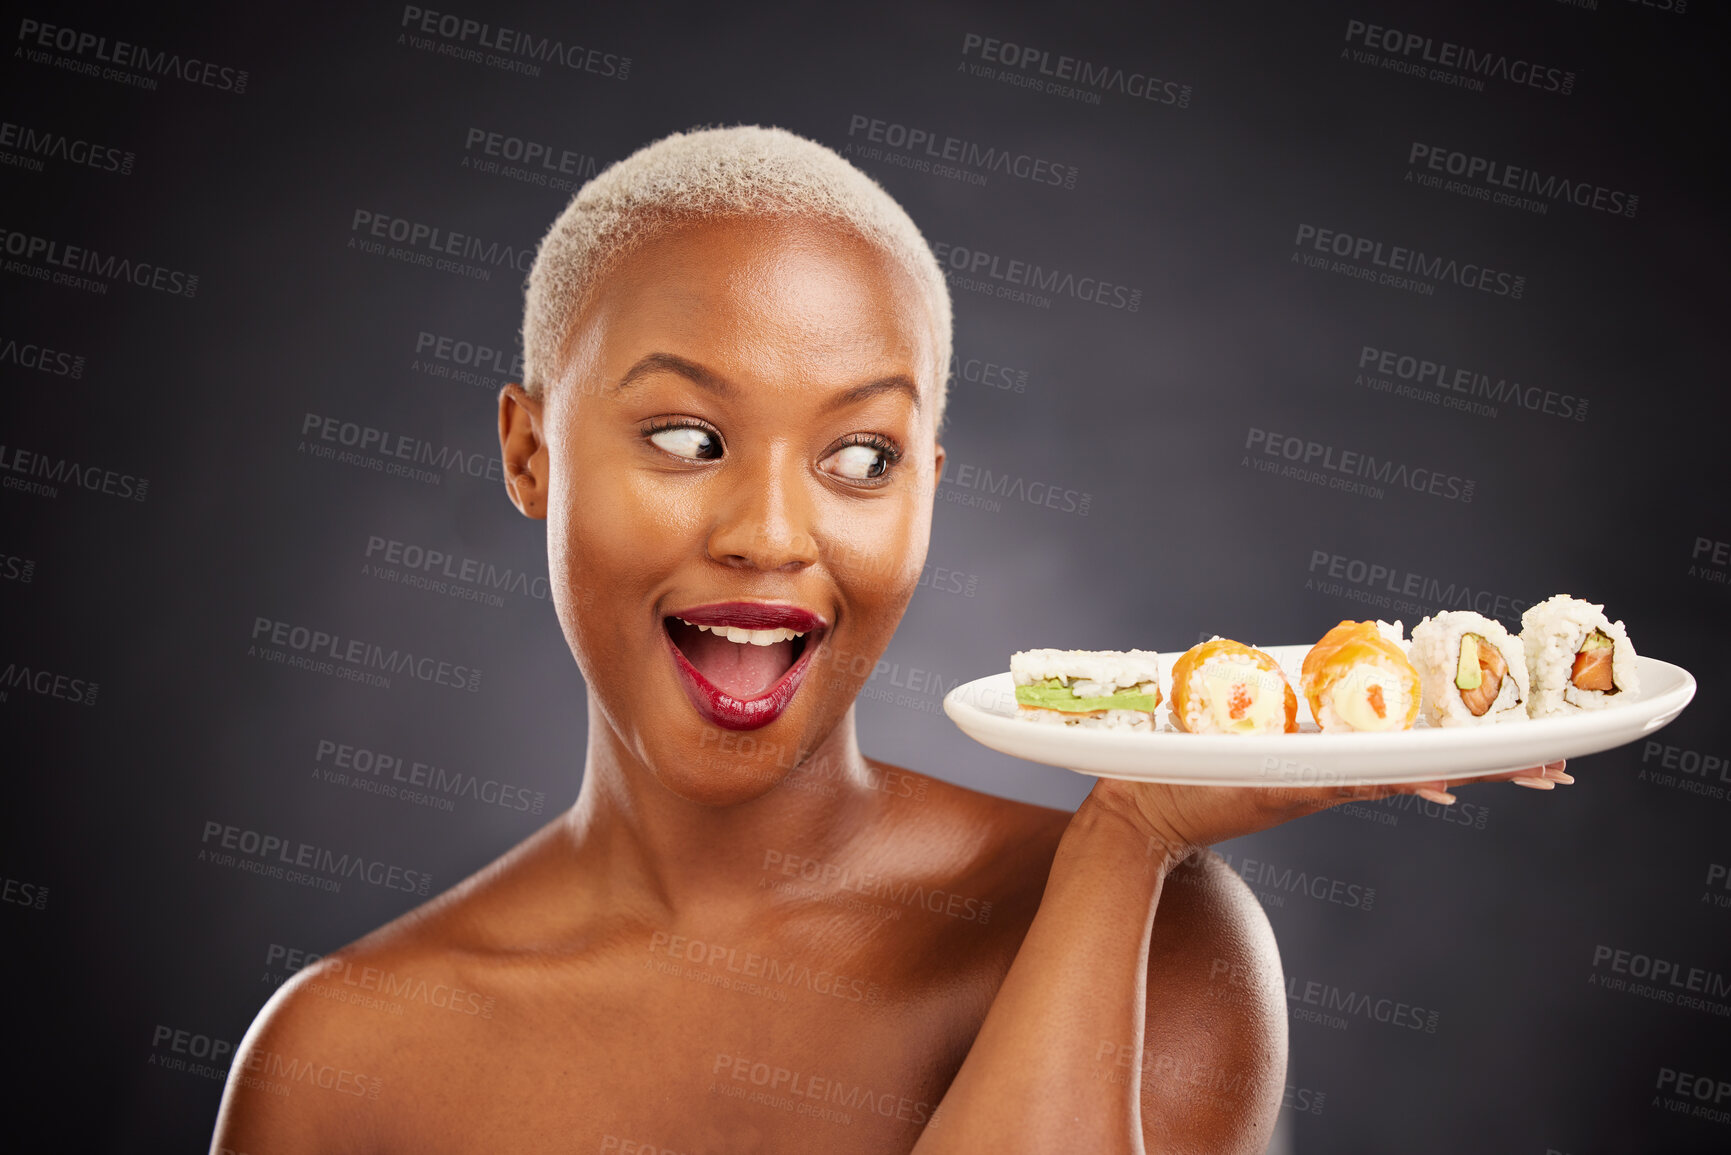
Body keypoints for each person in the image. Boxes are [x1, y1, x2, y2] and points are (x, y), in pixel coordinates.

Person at [211, 125, 1568, 1155]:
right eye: (687, 439)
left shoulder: (1166, 942)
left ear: (931, 480)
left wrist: (1124, 848)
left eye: (862, 455)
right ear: (529, 451)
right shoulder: (346, 1059)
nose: (769, 532)